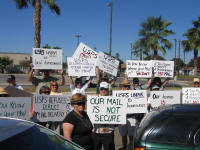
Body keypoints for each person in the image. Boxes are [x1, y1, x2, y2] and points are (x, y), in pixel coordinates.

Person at [92, 81, 115, 150]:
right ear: (99, 90)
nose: (103, 91)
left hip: (108, 131)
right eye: (102, 89)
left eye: (105, 89)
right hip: (96, 131)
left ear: (108, 90)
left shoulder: (113, 100)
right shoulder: (94, 99)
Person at [118, 78, 135, 150]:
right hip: (122, 117)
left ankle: (131, 147)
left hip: (132, 117)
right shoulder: (118, 95)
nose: (126, 88)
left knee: (132, 135)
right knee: (123, 135)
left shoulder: (134, 94)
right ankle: (125, 148)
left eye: (128, 86)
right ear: (122, 87)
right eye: (125, 86)